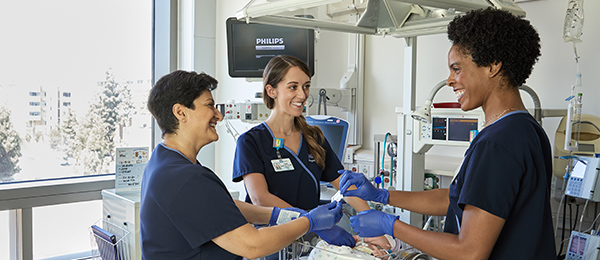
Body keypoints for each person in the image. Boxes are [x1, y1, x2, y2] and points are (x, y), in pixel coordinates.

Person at [339, 7, 556, 260]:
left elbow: (470, 252)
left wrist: (391, 226)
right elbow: (457, 200)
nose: (450, 80)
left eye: (456, 68)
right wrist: (383, 196)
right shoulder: (526, 129)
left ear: (493, 65)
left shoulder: (498, 143)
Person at [140, 70, 344, 260]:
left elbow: (216, 207)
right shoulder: (186, 177)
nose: (219, 115)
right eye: (210, 105)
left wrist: (285, 215)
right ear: (180, 113)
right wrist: (310, 222)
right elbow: (253, 246)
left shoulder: (164, 161)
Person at [232, 55, 371, 250]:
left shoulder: (313, 137)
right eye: (293, 87)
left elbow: (345, 185)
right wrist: (311, 222)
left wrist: (371, 220)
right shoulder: (250, 142)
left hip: (309, 243)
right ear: (271, 91)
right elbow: (260, 198)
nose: (302, 94)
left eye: (306, 86)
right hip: (270, 242)